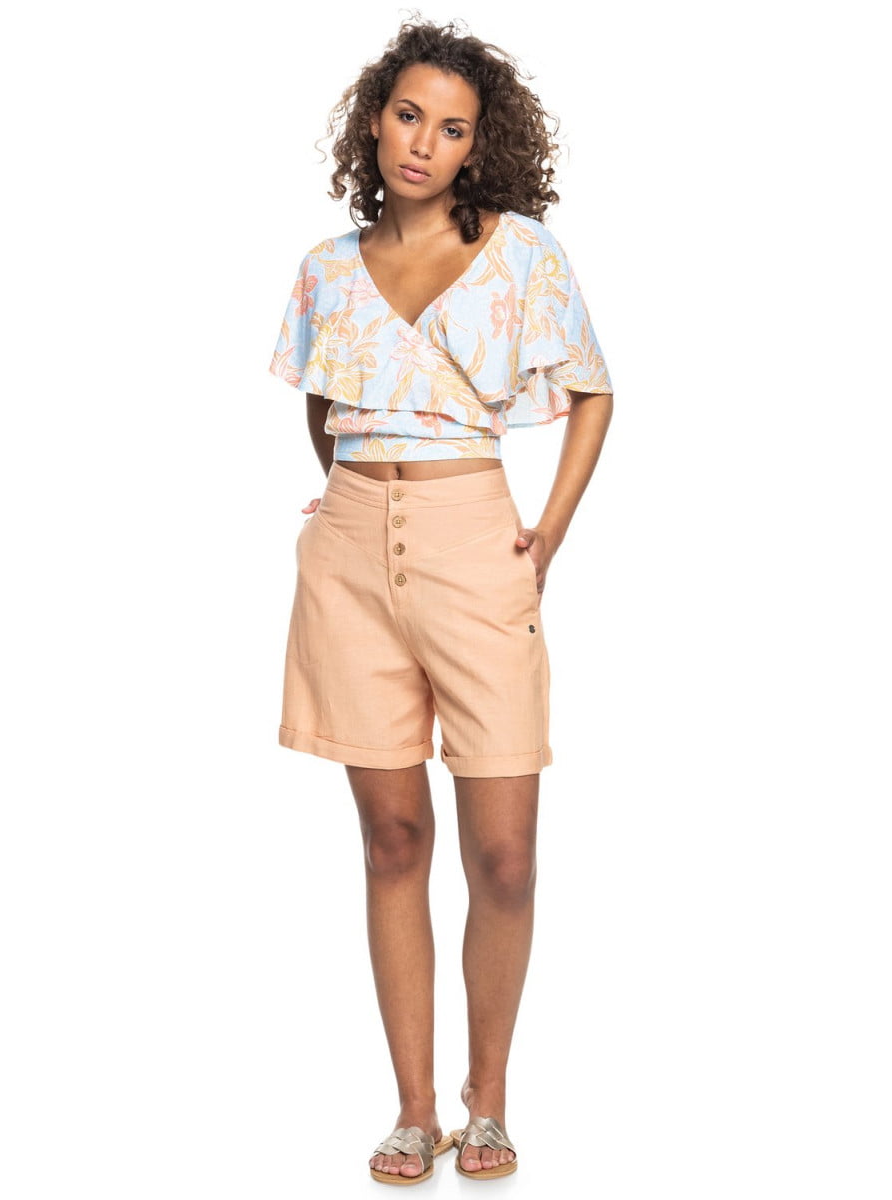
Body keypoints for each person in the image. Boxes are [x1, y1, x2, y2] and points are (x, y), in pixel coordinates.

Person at [268, 16, 613, 1185]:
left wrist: (546, 533)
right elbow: (321, 406)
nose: (424, 143)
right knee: (392, 838)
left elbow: (592, 392)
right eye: (409, 115)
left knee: (503, 852)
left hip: (475, 540)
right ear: (374, 121)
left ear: (478, 146)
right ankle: (413, 1108)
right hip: (349, 552)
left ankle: (489, 1100)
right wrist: (353, 503)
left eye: (452, 128)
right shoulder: (325, 267)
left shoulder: (522, 254)